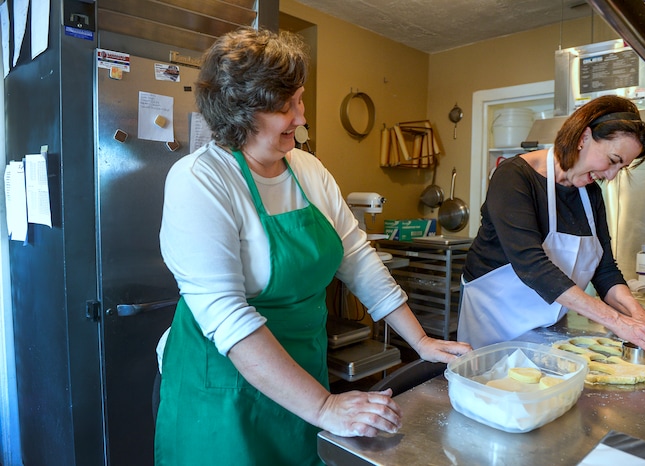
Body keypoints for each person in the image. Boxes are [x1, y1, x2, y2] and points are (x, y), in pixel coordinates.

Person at [155, 28, 471, 465]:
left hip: (303, 373)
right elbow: (228, 318)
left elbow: (357, 258)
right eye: (287, 106)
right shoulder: (201, 180)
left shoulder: (308, 170)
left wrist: (420, 341)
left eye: (299, 100)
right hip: (224, 387)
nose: (301, 117)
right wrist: (324, 407)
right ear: (243, 110)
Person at [457, 95, 645, 363]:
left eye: (620, 168)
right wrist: (618, 322)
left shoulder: (590, 194)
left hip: (546, 328)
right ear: (583, 138)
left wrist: (640, 317)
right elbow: (532, 265)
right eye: (612, 160)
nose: (611, 175)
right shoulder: (514, 176)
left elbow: (605, 270)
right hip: (494, 326)